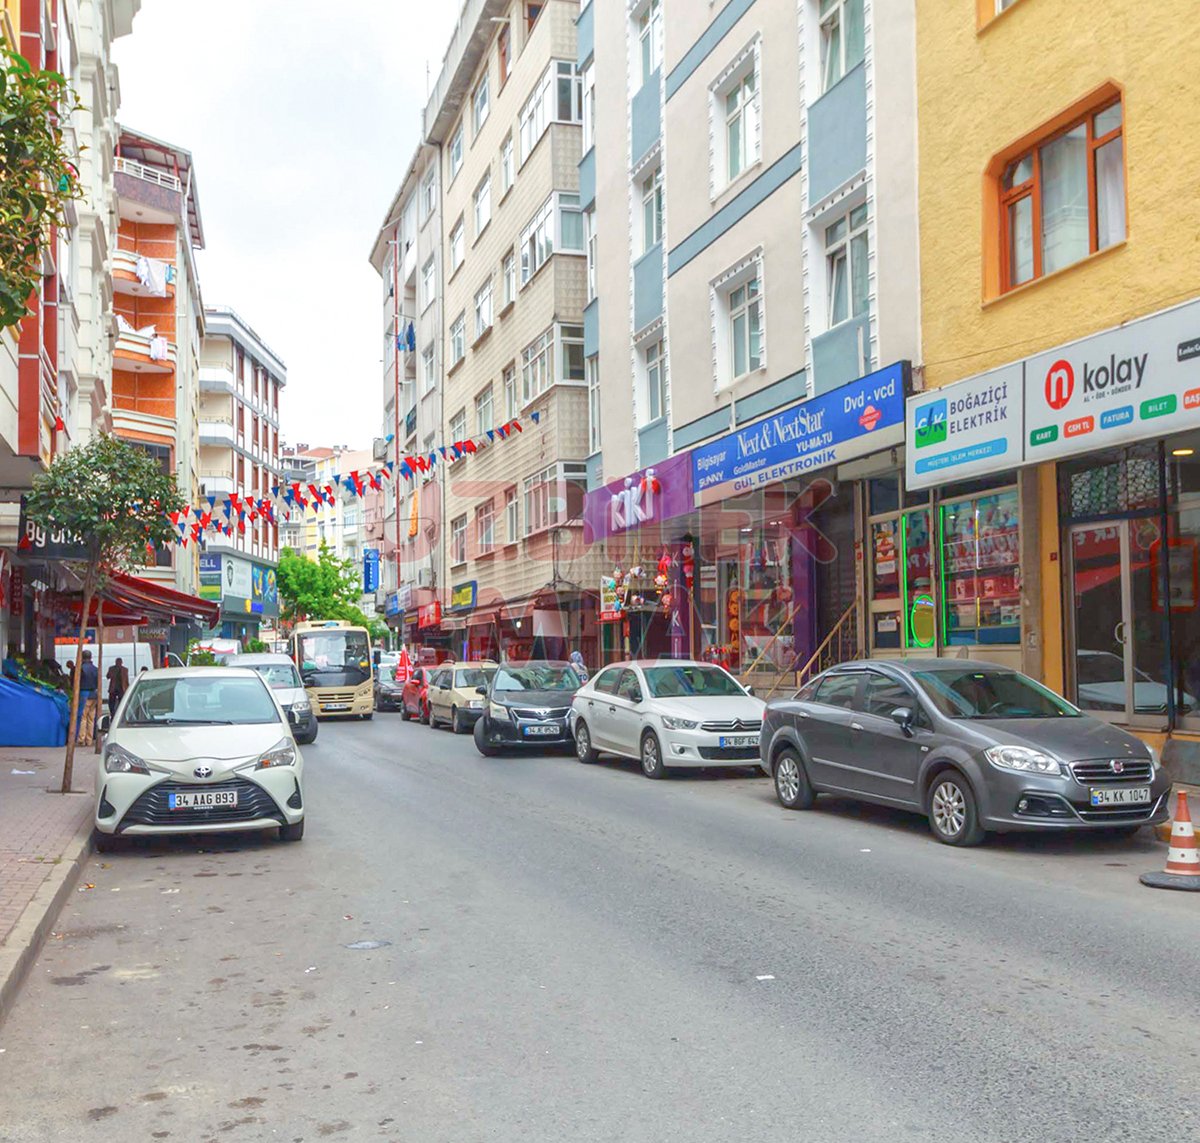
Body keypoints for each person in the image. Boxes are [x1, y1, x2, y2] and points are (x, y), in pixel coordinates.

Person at [76, 650, 99, 745]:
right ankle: (89, 740)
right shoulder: (96, 669)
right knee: (91, 718)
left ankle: (81, 739)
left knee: (83, 717)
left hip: (84, 693)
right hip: (94, 694)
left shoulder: (80, 668)